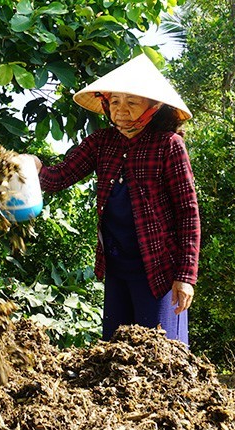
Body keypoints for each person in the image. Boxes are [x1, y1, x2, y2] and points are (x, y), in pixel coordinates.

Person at [31, 53, 200, 344]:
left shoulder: (168, 145)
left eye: (132, 102)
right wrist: (30, 168)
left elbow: (188, 212)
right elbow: (58, 178)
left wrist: (185, 276)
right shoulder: (102, 142)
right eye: (116, 101)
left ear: (153, 107)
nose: (121, 110)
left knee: (160, 353)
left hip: (158, 269)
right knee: (117, 350)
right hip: (118, 266)